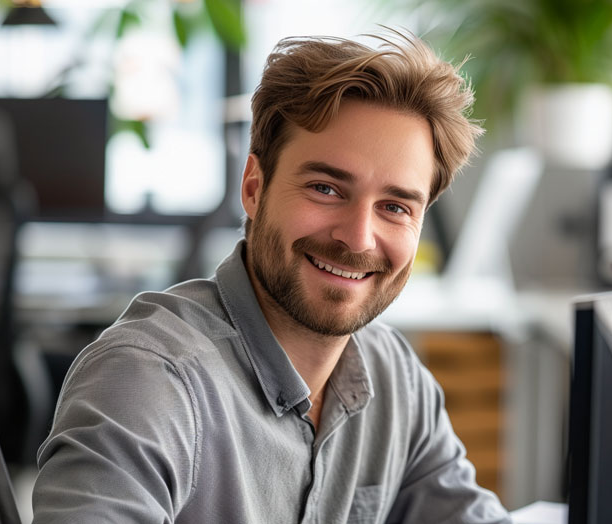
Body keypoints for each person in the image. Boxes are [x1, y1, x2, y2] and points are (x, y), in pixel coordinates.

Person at [32, 28, 511, 524]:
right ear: (254, 188)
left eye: (395, 207)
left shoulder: (395, 378)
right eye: (325, 188)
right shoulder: (149, 379)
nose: (358, 239)